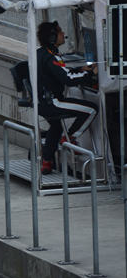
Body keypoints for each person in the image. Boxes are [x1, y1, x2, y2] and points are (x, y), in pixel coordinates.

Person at [35, 21, 98, 174]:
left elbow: (61, 72)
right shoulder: (51, 57)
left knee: (56, 126)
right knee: (92, 109)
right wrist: (90, 73)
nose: (63, 34)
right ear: (52, 37)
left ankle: (47, 162)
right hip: (53, 102)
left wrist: (80, 69)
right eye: (60, 31)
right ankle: (70, 138)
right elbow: (68, 79)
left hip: (41, 102)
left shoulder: (44, 53)